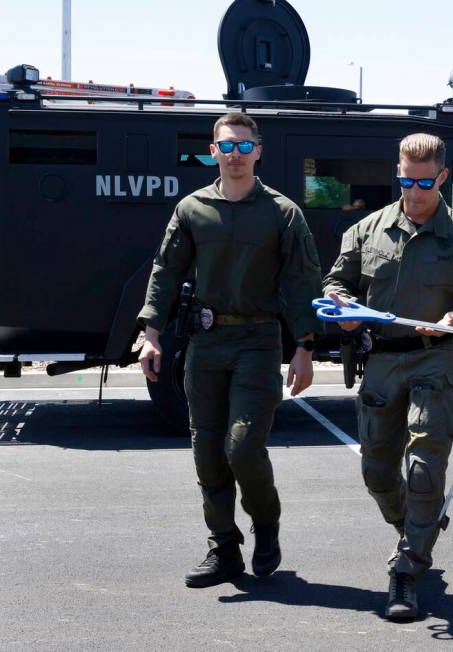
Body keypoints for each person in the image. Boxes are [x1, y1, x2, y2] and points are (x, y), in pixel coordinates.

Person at [323, 133, 453, 620]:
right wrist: (344, 307)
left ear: (443, 178)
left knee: (425, 470)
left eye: (423, 181)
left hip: (435, 358)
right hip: (382, 359)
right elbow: (337, 281)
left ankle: (407, 570)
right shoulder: (366, 230)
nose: (412, 190)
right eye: (404, 179)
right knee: (378, 472)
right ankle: (416, 526)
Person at [137, 112, 323, 588]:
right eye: (227, 146)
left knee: (242, 447)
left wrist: (304, 347)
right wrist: (150, 331)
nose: (236, 155)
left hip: (258, 342)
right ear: (214, 151)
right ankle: (223, 547)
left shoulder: (283, 213)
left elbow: (302, 282)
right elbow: (165, 269)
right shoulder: (192, 208)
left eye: (244, 146)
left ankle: (266, 526)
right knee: (206, 450)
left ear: (258, 151)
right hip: (205, 342)